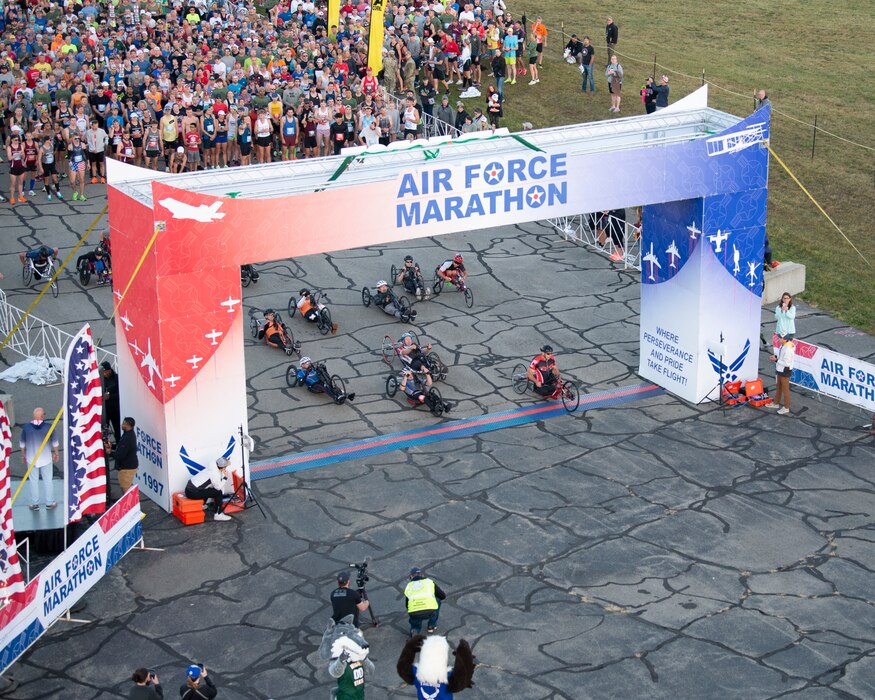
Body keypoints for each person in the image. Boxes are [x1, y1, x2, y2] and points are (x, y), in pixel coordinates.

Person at [20, 408, 59, 511]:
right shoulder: (48, 427)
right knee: (48, 481)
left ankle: (35, 504)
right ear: (42, 416)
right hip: (46, 458)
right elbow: (55, 443)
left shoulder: (26, 428)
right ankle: (49, 503)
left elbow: (22, 444)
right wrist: (56, 453)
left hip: (31, 458)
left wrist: (23, 455)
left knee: (33, 481)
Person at [184, 457, 238, 521]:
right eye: (226, 467)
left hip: (189, 489)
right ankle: (218, 514)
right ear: (223, 467)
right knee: (218, 493)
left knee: (209, 488)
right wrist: (225, 477)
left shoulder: (211, 467)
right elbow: (218, 487)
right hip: (192, 493)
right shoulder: (214, 473)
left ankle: (202, 505)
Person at [404, 567, 447, 636]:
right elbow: (443, 596)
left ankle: (415, 630)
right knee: (437, 600)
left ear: (411, 576)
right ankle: (431, 626)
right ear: (422, 575)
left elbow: (407, 605)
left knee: (414, 618)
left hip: (414, 613)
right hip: (430, 611)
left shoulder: (409, 586)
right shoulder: (429, 582)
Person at [112, 417, 139, 497]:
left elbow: (120, 455)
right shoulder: (128, 434)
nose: (122, 425)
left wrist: (110, 453)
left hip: (127, 468)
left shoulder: (127, 438)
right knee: (127, 488)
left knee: (126, 491)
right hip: (129, 466)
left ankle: (130, 507)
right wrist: (113, 447)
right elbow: (120, 447)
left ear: (128, 425)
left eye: (124, 424)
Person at [769, 336, 796, 416]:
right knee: (779, 387)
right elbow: (781, 356)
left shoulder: (788, 349)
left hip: (784, 371)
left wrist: (776, 360)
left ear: (785, 339)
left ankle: (786, 407)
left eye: (780, 338)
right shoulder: (784, 345)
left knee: (785, 389)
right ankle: (776, 403)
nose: (778, 340)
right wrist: (776, 357)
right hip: (780, 369)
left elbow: (787, 363)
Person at [101, 362, 121, 441]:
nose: (104, 374)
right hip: (105, 410)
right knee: (104, 428)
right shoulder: (101, 379)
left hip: (114, 409)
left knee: (117, 428)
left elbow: (120, 393)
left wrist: (110, 396)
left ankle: (118, 443)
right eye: (103, 372)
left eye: (106, 372)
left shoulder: (116, 379)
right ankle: (105, 445)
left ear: (109, 370)